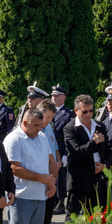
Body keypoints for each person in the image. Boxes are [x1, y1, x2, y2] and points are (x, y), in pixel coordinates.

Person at [2, 108, 55, 224]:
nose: (39, 129)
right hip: (21, 197)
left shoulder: (41, 137)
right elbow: (14, 168)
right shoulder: (14, 139)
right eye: (36, 125)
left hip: (40, 196)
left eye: (41, 125)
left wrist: (52, 183)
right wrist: (41, 178)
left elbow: (51, 161)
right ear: (24, 123)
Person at [62, 94, 107, 222]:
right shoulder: (70, 128)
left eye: (91, 111)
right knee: (72, 217)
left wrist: (104, 165)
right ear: (76, 111)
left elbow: (107, 150)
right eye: (84, 111)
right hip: (79, 180)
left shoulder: (99, 126)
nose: (88, 114)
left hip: (96, 178)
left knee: (94, 217)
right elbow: (77, 152)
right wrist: (94, 142)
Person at [37, 99, 61, 224]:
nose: (49, 120)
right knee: (38, 221)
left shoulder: (49, 127)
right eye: (47, 117)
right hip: (40, 179)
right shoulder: (34, 131)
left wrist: (58, 160)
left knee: (47, 219)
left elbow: (55, 146)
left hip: (52, 177)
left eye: (51, 118)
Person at [50, 85, 74, 215]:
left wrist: (65, 154)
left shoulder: (68, 114)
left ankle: (60, 202)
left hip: (61, 145)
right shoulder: (48, 112)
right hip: (50, 145)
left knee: (61, 176)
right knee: (51, 173)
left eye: (57, 96)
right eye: (53, 96)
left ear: (64, 97)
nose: (54, 98)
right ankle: (53, 200)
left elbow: (69, 136)